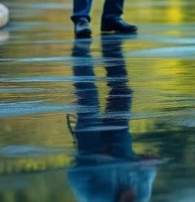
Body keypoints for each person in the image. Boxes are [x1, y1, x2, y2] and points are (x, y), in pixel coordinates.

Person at [67, 36, 157, 201]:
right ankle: (112, 51)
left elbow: (73, 175)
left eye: (128, 197)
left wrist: (97, 159)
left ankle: (80, 51)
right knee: (123, 95)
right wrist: (148, 164)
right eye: (132, 196)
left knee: (88, 97)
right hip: (120, 146)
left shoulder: (95, 197)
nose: (131, 192)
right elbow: (149, 171)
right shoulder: (142, 195)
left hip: (90, 147)